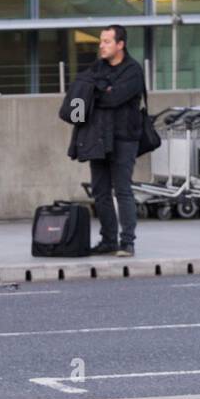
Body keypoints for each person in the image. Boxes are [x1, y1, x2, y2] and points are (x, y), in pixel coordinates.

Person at [64, 25, 145, 256]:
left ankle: (127, 242)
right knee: (99, 192)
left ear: (120, 44)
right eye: (101, 41)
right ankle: (108, 240)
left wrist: (98, 92)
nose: (101, 45)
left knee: (122, 190)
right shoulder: (97, 67)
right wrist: (101, 90)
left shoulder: (133, 71)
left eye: (107, 41)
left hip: (123, 138)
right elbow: (80, 90)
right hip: (97, 137)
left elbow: (114, 98)